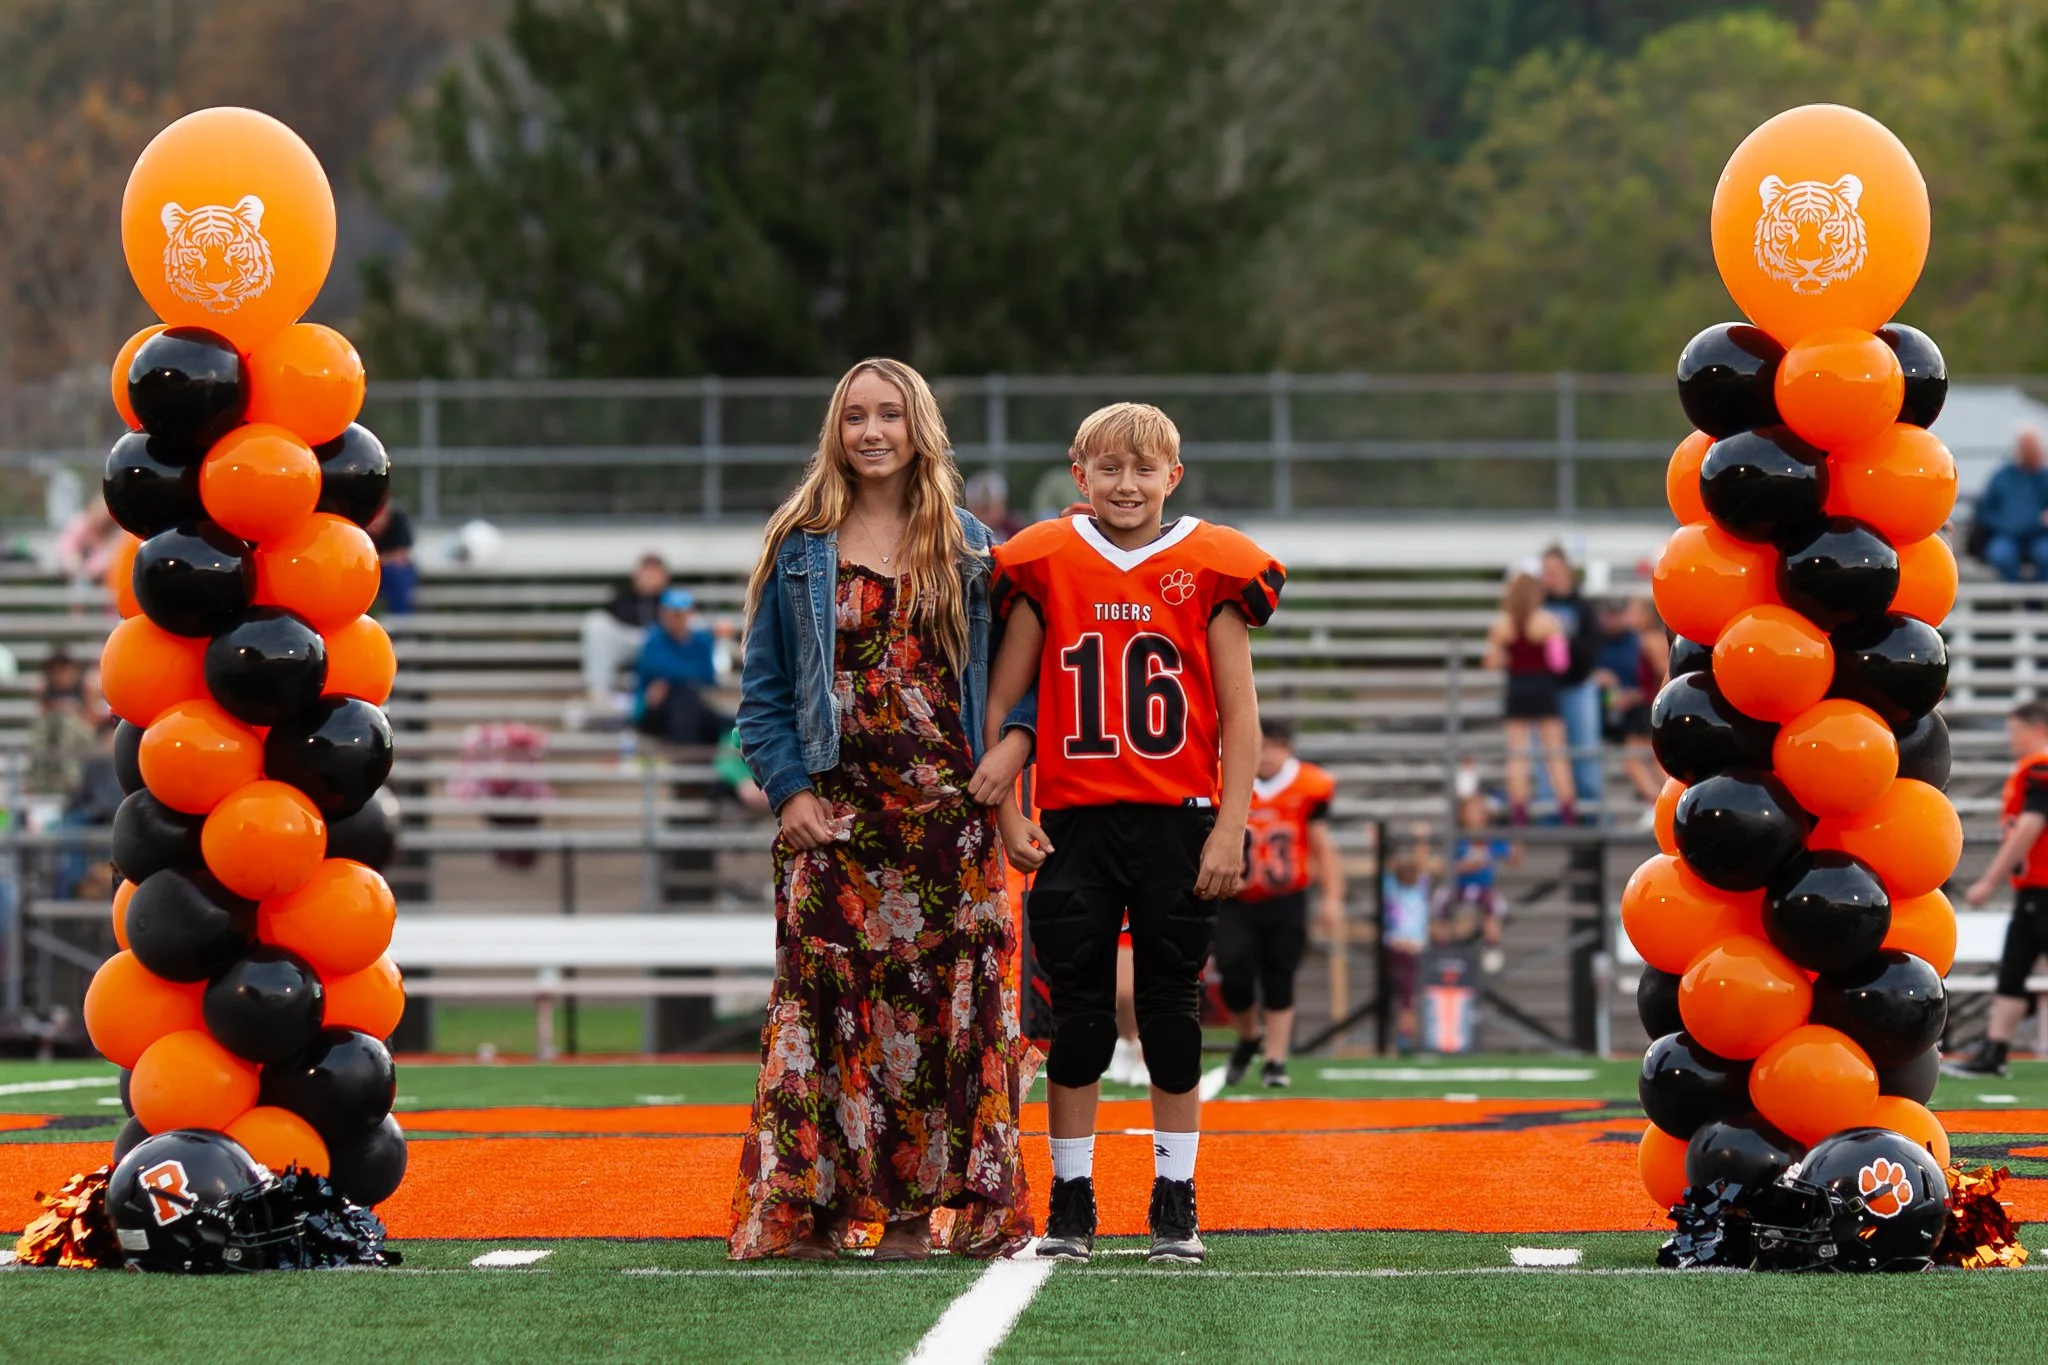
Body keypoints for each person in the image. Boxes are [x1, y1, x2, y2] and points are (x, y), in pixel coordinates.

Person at [730, 357, 1037, 1263]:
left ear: (919, 428)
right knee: (827, 1013)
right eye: (855, 415)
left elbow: (1017, 683)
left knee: (944, 1017)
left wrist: (1008, 758)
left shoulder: (974, 546)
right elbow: (764, 693)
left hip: (949, 818)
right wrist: (789, 791)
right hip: (837, 819)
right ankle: (821, 1213)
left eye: (889, 415)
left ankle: (913, 1220)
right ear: (836, 429)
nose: (872, 431)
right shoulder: (801, 545)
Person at [980, 401, 1283, 1264]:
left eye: (1143, 469)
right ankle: (1069, 1197)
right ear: (1080, 475)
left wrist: (1232, 825)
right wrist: (1007, 807)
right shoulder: (1048, 560)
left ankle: (1175, 1195)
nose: (1126, 484)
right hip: (1074, 817)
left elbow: (1240, 715)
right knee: (1077, 1016)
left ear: (1172, 476)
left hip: (1178, 819)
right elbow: (1003, 701)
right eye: (1108, 468)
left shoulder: (1211, 564)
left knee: (1170, 1010)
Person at [1219, 719, 1342, 1088]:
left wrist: (1332, 898)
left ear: (1287, 749)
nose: (1266, 756)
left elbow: (1322, 845)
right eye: (1261, 747)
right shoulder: (1228, 778)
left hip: (1285, 898)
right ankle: (1247, 1036)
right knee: (1234, 975)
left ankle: (1275, 1060)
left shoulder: (1308, 785)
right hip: (1234, 898)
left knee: (1280, 977)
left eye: (1273, 747)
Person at [1947, 701, 2048, 1078]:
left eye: (2015, 730)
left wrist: (1989, 879)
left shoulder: (2040, 766)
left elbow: (2030, 825)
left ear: (2037, 727)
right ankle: (1994, 1050)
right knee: (2014, 969)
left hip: (2043, 889)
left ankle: (1994, 1050)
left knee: (2016, 967)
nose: (2011, 738)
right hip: (2034, 891)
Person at [1484, 572, 1576, 825]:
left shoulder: (1502, 624)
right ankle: (1568, 810)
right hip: (1543, 687)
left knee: (1517, 753)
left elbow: (1491, 661)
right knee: (1555, 752)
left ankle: (1519, 811)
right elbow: (1560, 663)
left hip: (1517, 686)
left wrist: (1510, 658)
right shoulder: (1547, 621)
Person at [1538, 546, 1603, 814]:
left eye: (1554, 571)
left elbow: (1592, 646)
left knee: (1584, 755)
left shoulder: (1582, 607)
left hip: (1577, 687)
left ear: (1566, 572)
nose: (1549, 577)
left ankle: (1590, 816)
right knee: (1547, 761)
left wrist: (1564, 645)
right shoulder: (1538, 605)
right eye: (1546, 571)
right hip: (1546, 691)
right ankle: (1550, 816)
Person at [634, 589, 726, 746]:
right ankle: (686, 757)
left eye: (679, 614)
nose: (674, 619)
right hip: (655, 711)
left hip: (688, 705)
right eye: (671, 614)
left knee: (719, 719)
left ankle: (690, 757)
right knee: (686, 696)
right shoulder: (654, 639)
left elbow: (708, 676)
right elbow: (656, 668)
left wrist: (671, 680)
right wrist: (689, 676)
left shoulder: (701, 640)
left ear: (689, 614)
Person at [583, 552, 671, 705]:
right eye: (647, 572)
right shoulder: (623, 595)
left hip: (662, 641)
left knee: (693, 625)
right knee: (596, 624)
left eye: (654, 572)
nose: (650, 577)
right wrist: (644, 593)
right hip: (629, 640)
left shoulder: (672, 598)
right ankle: (599, 694)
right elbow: (616, 617)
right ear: (637, 575)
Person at [1380, 834, 1434, 1055]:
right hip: (1397, 946)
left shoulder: (1419, 888)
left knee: (1408, 998)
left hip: (1412, 948)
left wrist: (1421, 838)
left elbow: (1422, 864)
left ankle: (1405, 1037)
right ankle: (1398, 1037)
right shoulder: (1393, 888)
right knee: (1397, 996)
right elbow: (1388, 868)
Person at [1973, 430, 2048, 583]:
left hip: (2040, 536)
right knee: (1999, 554)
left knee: (2045, 554)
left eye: (2033, 447)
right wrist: (2007, 523)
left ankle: (2037, 602)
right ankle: (2017, 597)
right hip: (2006, 536)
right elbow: (1985, 511)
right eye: (2026, 447)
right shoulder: (2001, 477)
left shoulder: (2044, 477)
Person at [368, 501, 418, 614]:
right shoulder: (362, 524)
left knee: (397, 574)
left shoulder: (398, 520)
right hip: (371, 573)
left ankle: (401, 623)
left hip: (391, 572)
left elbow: (403, 555)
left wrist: (379, 560)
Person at [964, 469, 1024, 541]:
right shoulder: (961, 533)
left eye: (987, 509)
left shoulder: (1017, 533)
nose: (985, 516)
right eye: (978, 508)